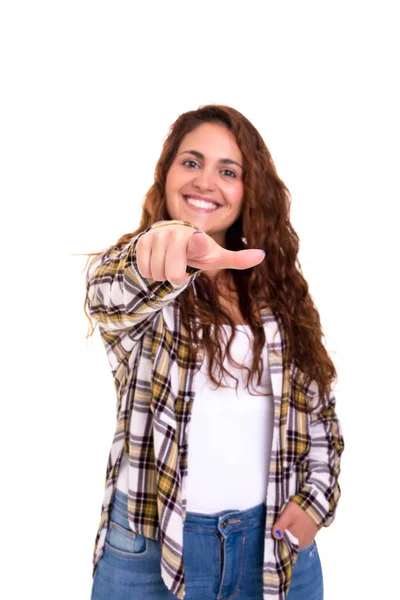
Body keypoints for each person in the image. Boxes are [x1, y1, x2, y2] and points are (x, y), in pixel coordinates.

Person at [85, 104, 345, 600]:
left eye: (228, 171)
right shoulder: (145, 279)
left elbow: (319, 416)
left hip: (271, 550)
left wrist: (315, 501)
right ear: (166, 174)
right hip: (149, 548)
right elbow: (109, 295)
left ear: (250, 191)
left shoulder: (283, 294)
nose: (206, 181)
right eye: (191, 162)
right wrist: (164, 252)